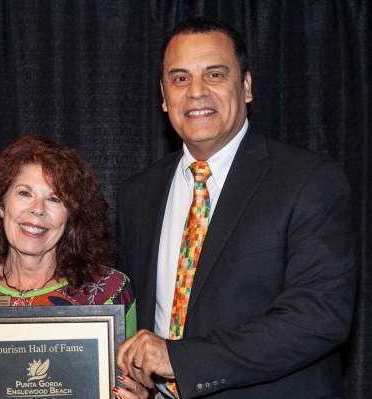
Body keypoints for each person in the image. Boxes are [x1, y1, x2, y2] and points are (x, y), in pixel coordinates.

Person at [116, 17, 356, 399]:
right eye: (179, 78)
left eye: (214, 74)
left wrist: (181, 361)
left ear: (245, 86)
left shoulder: (309, 181)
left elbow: (319, 317)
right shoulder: (137, 195)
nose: (196, 92)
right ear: (163, 96)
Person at [0, 135, 145, 399]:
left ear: (71, 216)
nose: (37, 210)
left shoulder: (111, 290)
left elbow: (135, 384)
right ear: (1, 205)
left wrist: (136, 393)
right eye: (25, 193)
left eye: (55, 199)